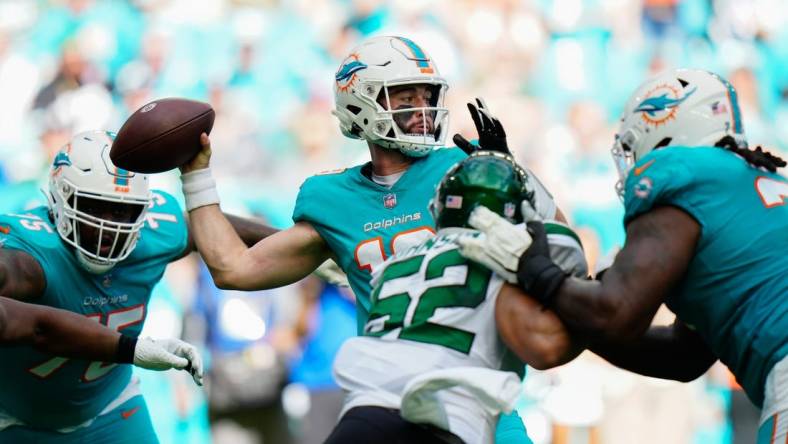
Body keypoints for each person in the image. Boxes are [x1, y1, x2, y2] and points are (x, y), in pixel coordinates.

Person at [180, 35, 562, 443]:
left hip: (477, 393)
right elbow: (233, 267)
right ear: (361, 103)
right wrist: (196, 175)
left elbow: (560, 240)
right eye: (404, 97)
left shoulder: (462, 169)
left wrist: (513, 175)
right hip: (387, 397)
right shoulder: (333, 200)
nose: (422, 109)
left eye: (426, 94)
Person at [461, 69, 788, 444]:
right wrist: (576, 315)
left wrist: (537, 272)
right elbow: (683, 356)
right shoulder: (744, 189)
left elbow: (616, 313)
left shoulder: (681, 176)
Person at [0, 130, 271, 443]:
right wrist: (132, 349)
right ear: (61, 198)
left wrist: (296, 246)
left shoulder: (154, 234)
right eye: (93, 206)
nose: (109, 226)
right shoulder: (28, 255)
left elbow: (203, 227)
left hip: (111, 408)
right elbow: (38, 327)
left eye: (122, 210)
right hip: (18, 420)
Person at [324, 151, 587, 444]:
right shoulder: (506, 252)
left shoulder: (390, 266)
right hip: (443, 418)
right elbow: (547, 350)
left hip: (362, 417)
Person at [0, 296, 200, 373]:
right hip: (21, 413)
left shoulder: (161, 233)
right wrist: (132, 349)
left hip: (110, 402)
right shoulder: (30, 248)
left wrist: (200, 201)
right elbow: (36, 325)